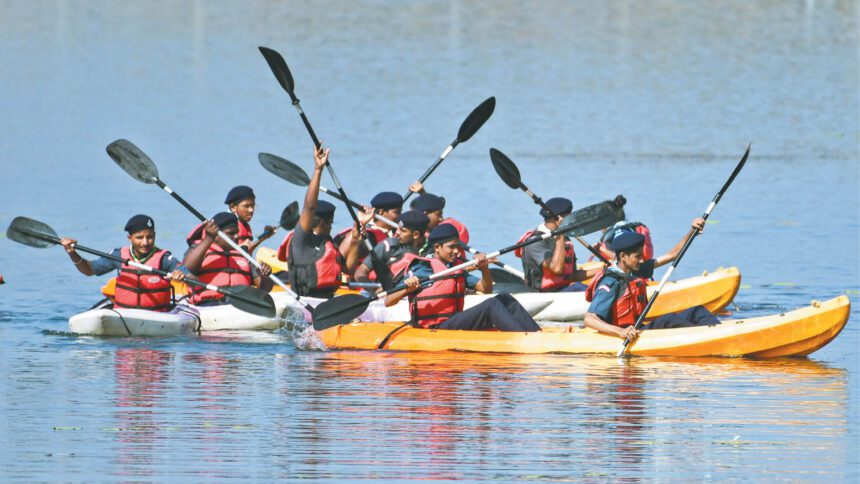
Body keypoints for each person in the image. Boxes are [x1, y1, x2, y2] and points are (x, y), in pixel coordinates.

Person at [384, 223, 541, 332]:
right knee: (491, 305)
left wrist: (484, 268)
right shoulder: (421, 268)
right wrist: (407, 289)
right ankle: (524, 337)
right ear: (437, 248)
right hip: (434, 328)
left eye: (457, 247)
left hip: (454, 322)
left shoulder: (456, 268)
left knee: (504, 298)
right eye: (451, 247)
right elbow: (388, 301)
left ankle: (536, 333)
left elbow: (485, 289)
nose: (456, 252)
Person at [583, 218, 719, 340]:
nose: (642, 260)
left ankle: (720, 332)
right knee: (668, 320)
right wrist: (621, 332)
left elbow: (672, 255)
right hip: (623, 335)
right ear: (623, 256)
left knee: (696, 311)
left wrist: (692, 231)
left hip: (638, 328)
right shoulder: (610, 282)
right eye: (638, 256)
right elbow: (589, 319)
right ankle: (707, 337)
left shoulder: (635, 268)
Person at [276, 146, 368, 298]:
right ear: (322, 223)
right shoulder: (301, 239)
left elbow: (349, 269)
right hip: (304, 300)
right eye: (330, 223)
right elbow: (309, 208)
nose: (331, 227)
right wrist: (318, 170)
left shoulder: (327, 243)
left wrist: (357, 237)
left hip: (328, 299)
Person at [60, 214, 186, 311]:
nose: (145, 242)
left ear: (154, 235)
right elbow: (89, 270)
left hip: (157, 314)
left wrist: (180, 274)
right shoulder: (118, 255)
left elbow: (186, 271)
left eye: (150, 237)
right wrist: (72, 252)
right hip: (124, 312)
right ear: (129, 238)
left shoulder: (164, 258)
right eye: (139, 237)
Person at [182, 212, 273, 305]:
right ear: (216, 236)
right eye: (231, 233)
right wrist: (209, 238)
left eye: (237, 233)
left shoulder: (243, 255)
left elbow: (265, 289)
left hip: (242, 305)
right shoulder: (199, 248)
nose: (237, 236)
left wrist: (264, 276)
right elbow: (185, 270)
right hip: (208, 304)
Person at [515, 197, 602, 292]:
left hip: (565, 290)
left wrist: (603, 270)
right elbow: (557, 269)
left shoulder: (565, 238)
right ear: (558, 218)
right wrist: (560, 233)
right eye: (569, 216)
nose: (572, 219)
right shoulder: (535, 242)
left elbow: (572, 276)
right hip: (543, 294)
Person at [184, 185, 274, 253]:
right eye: (246, 206)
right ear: (233, 207)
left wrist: (263, 237)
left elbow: (246, 252)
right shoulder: (226, 225)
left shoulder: (245, 225)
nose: (251, 210)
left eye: (253, 206)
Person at [354, 210, 431, 286]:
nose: (397, 233)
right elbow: (360, 272)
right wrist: (373, 290)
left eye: (402, 230)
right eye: (397, 228)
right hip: (383, 294)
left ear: (416, 235)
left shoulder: (432, 250)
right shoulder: (388, 246)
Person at [408, 182, 470, 246]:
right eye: (438, 214)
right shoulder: (409, 235)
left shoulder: (449, 227)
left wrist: (423, 193)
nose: (441, 219)